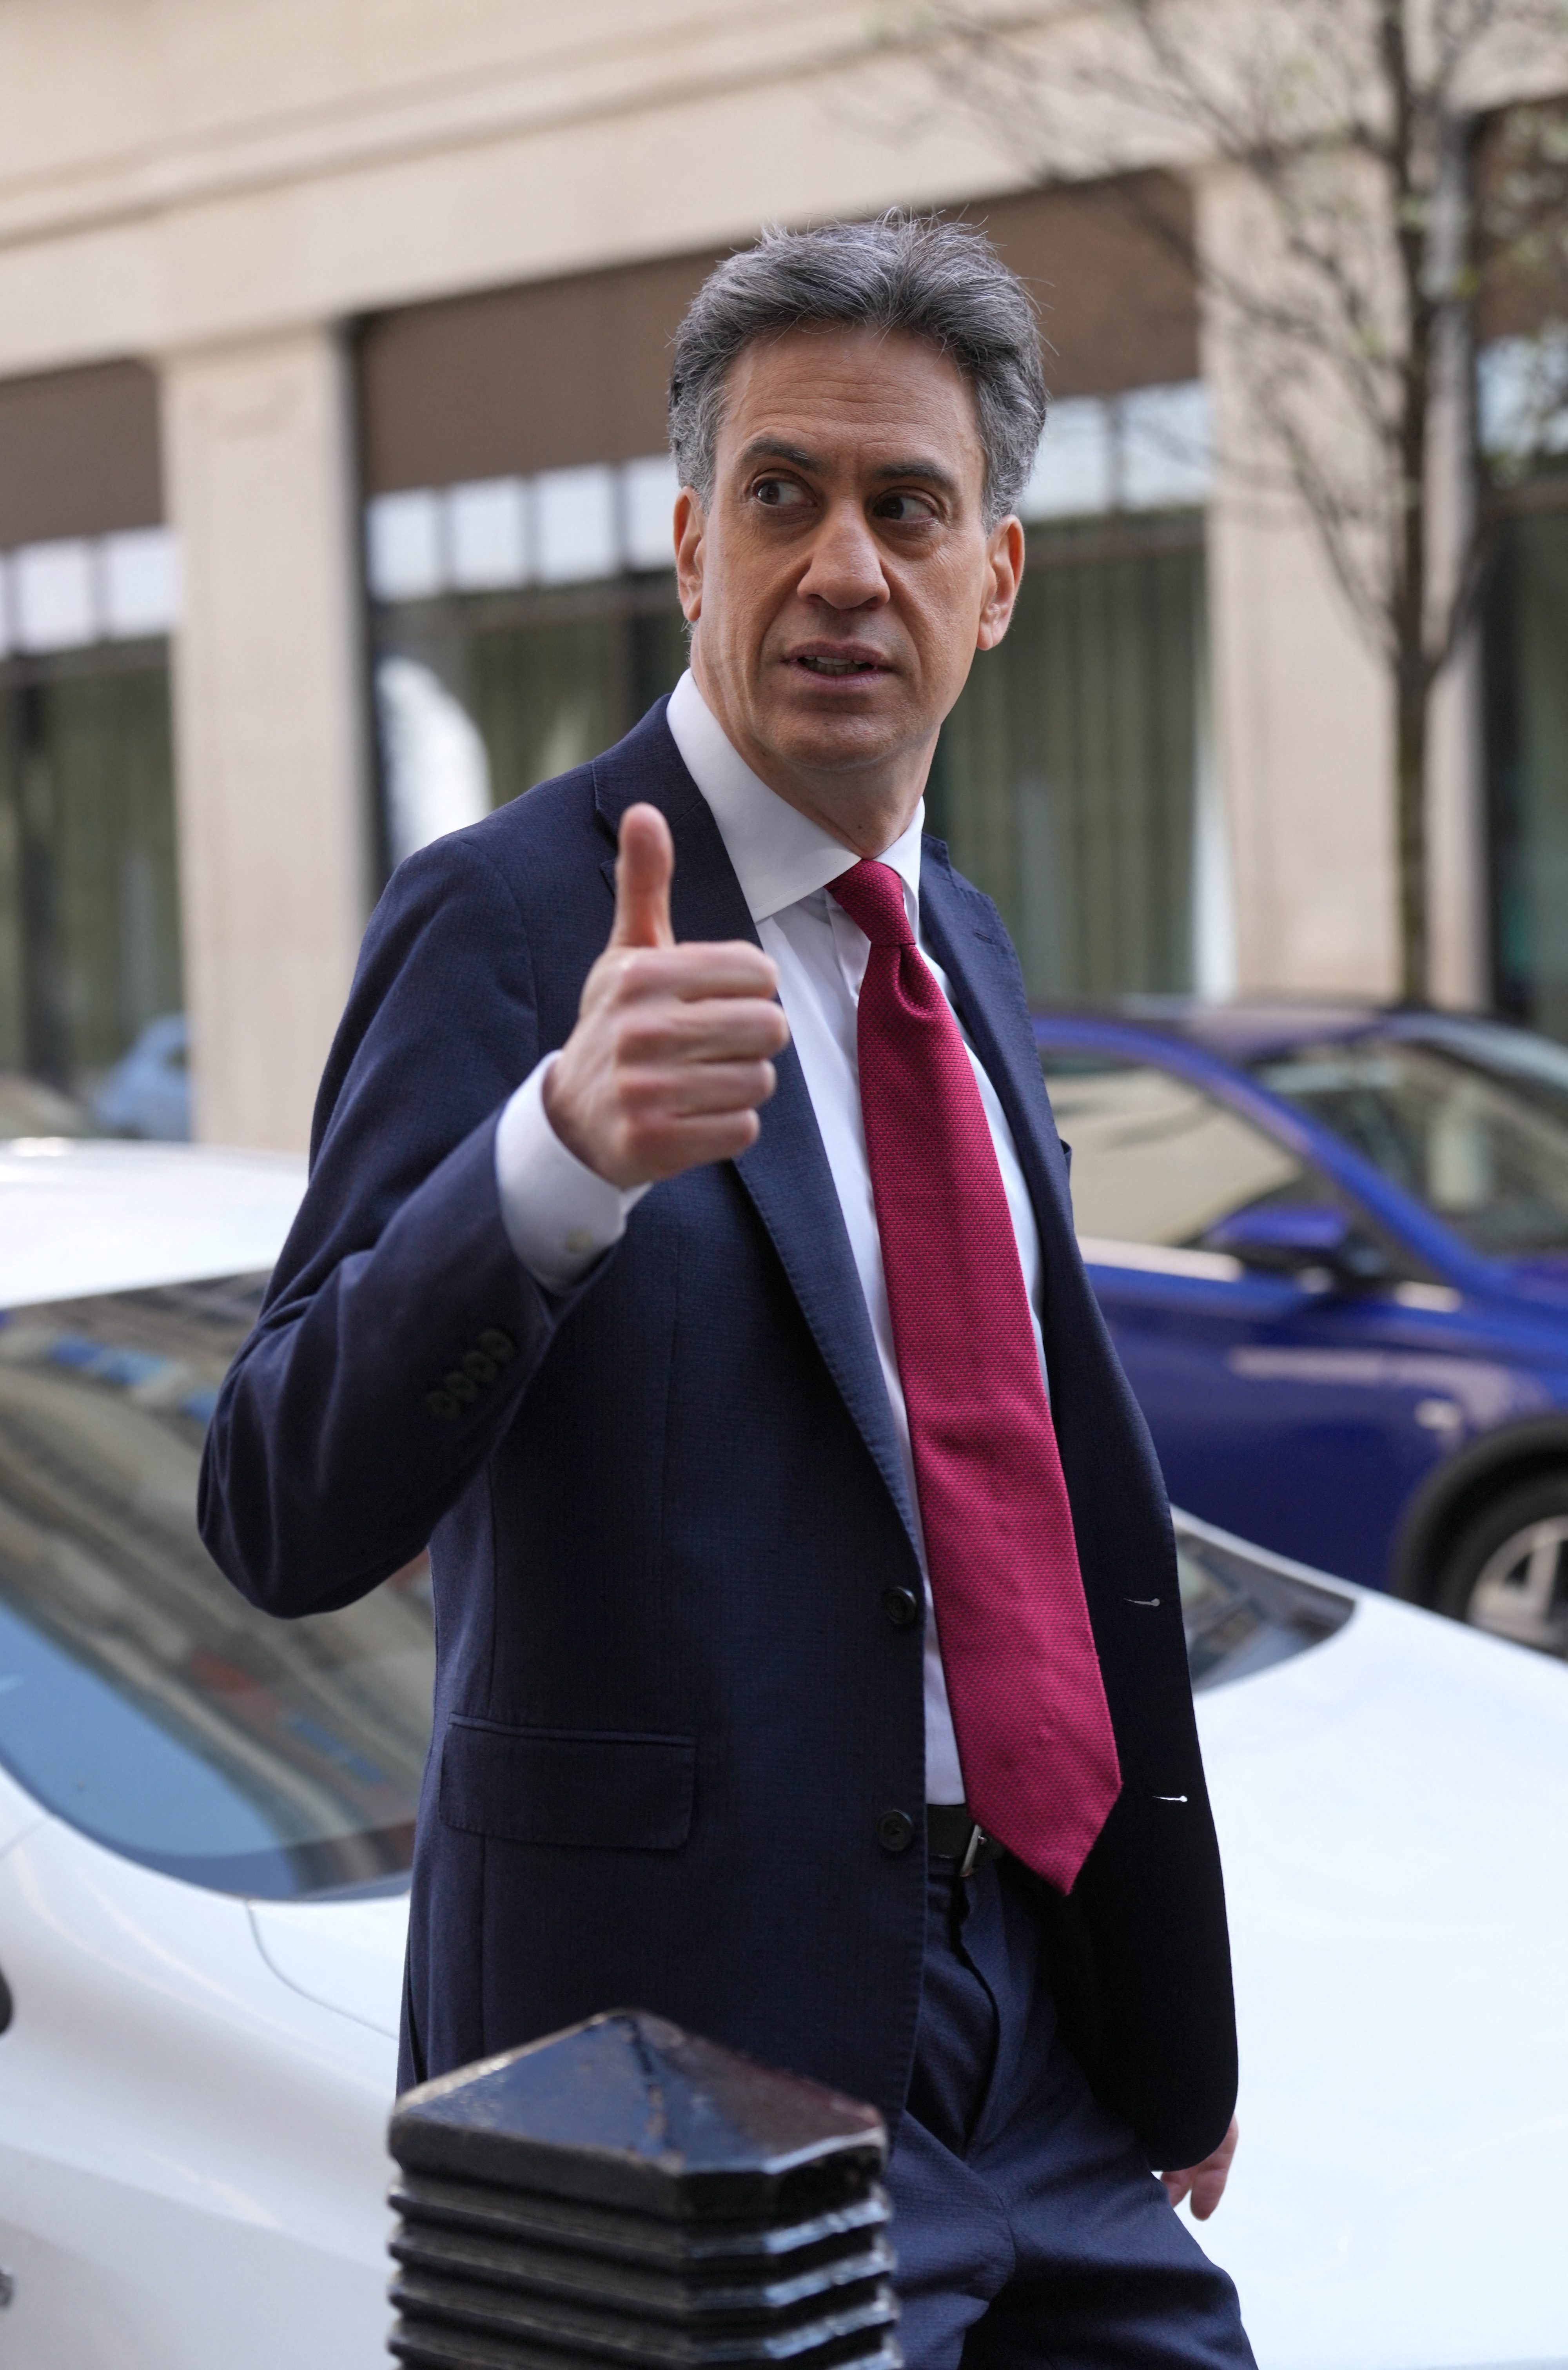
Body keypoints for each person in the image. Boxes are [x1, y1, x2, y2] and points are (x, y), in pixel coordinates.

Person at [200, 212, 1252, 2368]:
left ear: (996, 580)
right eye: (783, 495)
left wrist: (1151, 1997)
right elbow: (278, 1504)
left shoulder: (961, 945)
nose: (844, 567)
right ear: (694, 546)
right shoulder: (511, 921)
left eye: (908, 508)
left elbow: (1034, 1495)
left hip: (1038, 2035)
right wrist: (554, 1159)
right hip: (682, 2080)